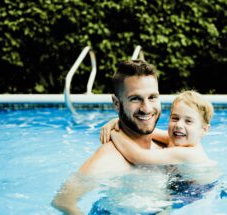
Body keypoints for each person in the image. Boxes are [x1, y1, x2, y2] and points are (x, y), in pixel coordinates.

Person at [52, 60, 164, 214]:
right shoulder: (108, 160)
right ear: (117, 104)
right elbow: (62, 201)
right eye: (135, 99)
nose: (146, 108)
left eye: (152, 97)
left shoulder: (165, 145)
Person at [106, 90, 216, 166]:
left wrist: (115, 133)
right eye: (175, 118)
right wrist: (120, 122)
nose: (179, 125)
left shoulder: (189, 153)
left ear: (204, 130)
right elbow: (147, 132)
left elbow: (138, 157)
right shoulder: (177, 138)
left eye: (188, 121)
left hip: (196, 193)